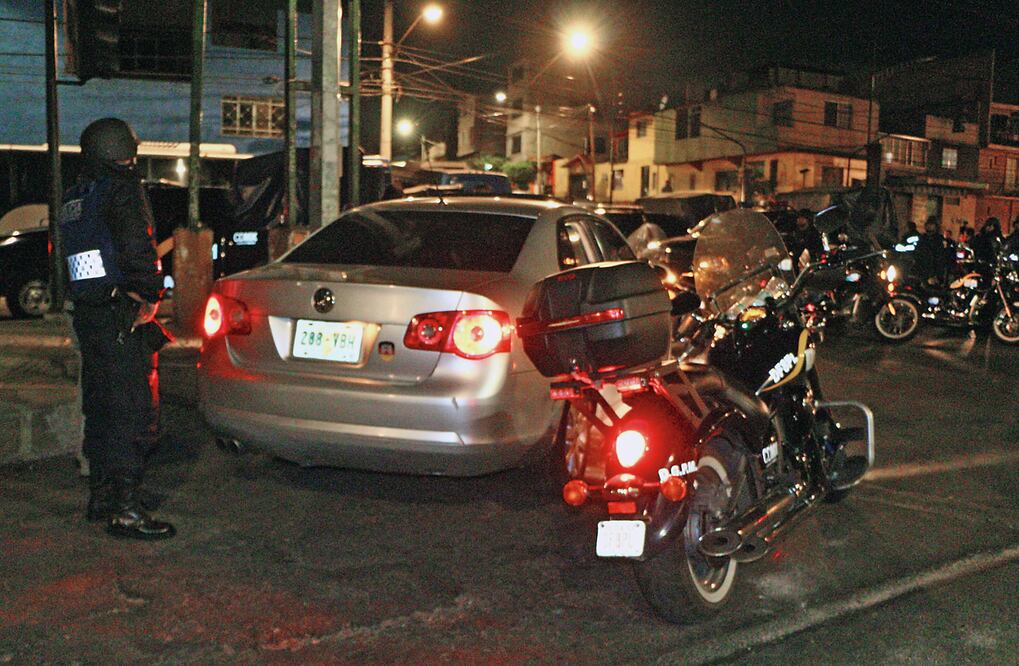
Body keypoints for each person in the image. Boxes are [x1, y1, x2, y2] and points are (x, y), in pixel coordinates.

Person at [60, 118, 175, 540]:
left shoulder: (75, 197)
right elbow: (136, 244)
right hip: (119, 315)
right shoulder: (122, 189)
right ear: (120, 151)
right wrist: (147, 296)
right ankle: (126, 511)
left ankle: (103, 496)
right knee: (132, 410)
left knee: (102, 407)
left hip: (88, 316)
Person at [912, 217, 949, 286]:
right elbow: (917, 253)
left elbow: (941, 258)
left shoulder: (939, 240)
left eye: (932, 225)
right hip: (921, 270)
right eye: (928, 224)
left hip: (933, 272)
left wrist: (937, 275)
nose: (929, 226)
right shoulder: (922, 238)